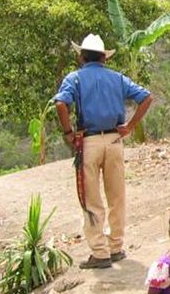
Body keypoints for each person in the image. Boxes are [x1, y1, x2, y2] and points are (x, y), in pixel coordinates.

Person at [54, 33, 153, 269]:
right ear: (104, 58)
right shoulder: (117, 78)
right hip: (114, 140)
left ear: (82, 57)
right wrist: (130, 126)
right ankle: (116, 246)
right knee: (117, 195)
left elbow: (61, 104)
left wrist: (68, 133)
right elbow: (146, 97)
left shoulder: (75, 78)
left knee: (91, 198)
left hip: (88, 141)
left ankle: (99, 252)